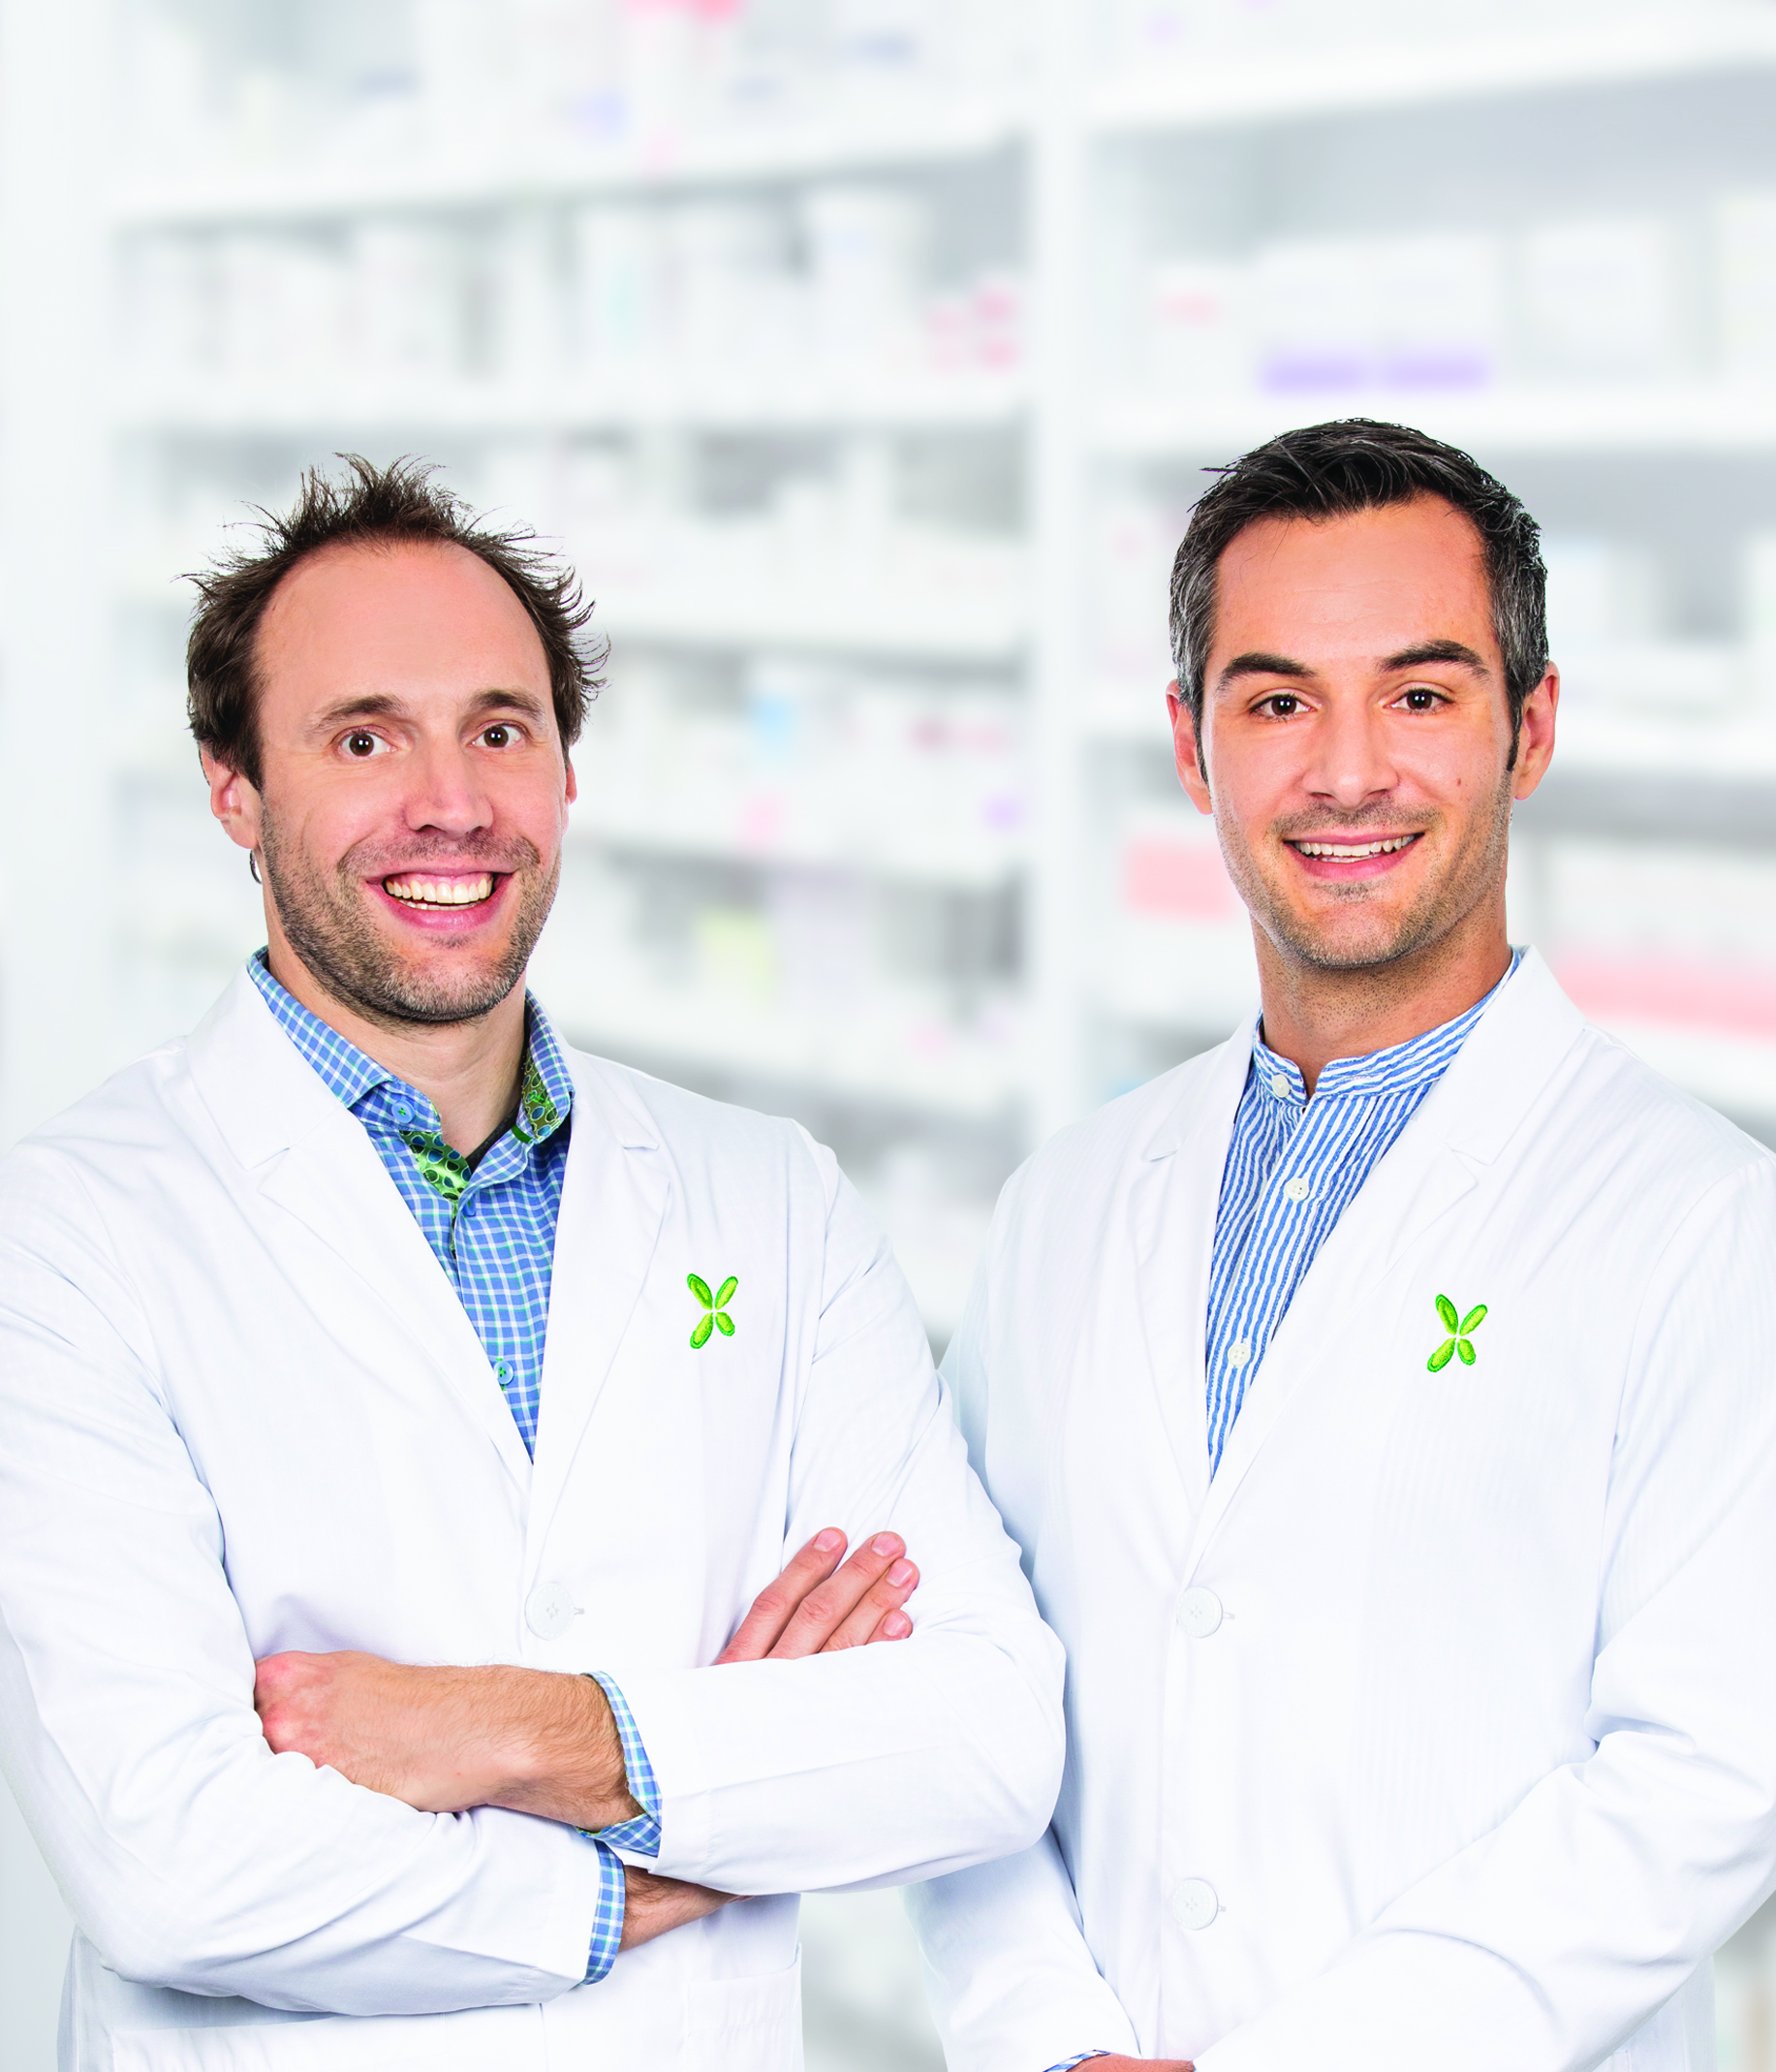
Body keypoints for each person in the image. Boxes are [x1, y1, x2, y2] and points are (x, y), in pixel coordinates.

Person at [0, 457, 1063, 2072]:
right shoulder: (72, 1229)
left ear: (567, 770)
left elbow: (982, 1735)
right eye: (364, 739)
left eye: (499, 729)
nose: (451, 802)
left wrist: (505, 1730)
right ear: (234, 790)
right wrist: (676, 1839)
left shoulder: (765, 1198)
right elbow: (169, 1862)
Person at [905, 419, 1776, 2072]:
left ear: (1529, 727)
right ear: (1189, 745)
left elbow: (1700, 1785)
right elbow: (967, 1690)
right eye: (1275, 702)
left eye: (1418, 695)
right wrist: (1044, 2034)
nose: (1343, 773)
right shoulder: (1067, 1203)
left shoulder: (1707, 1224)